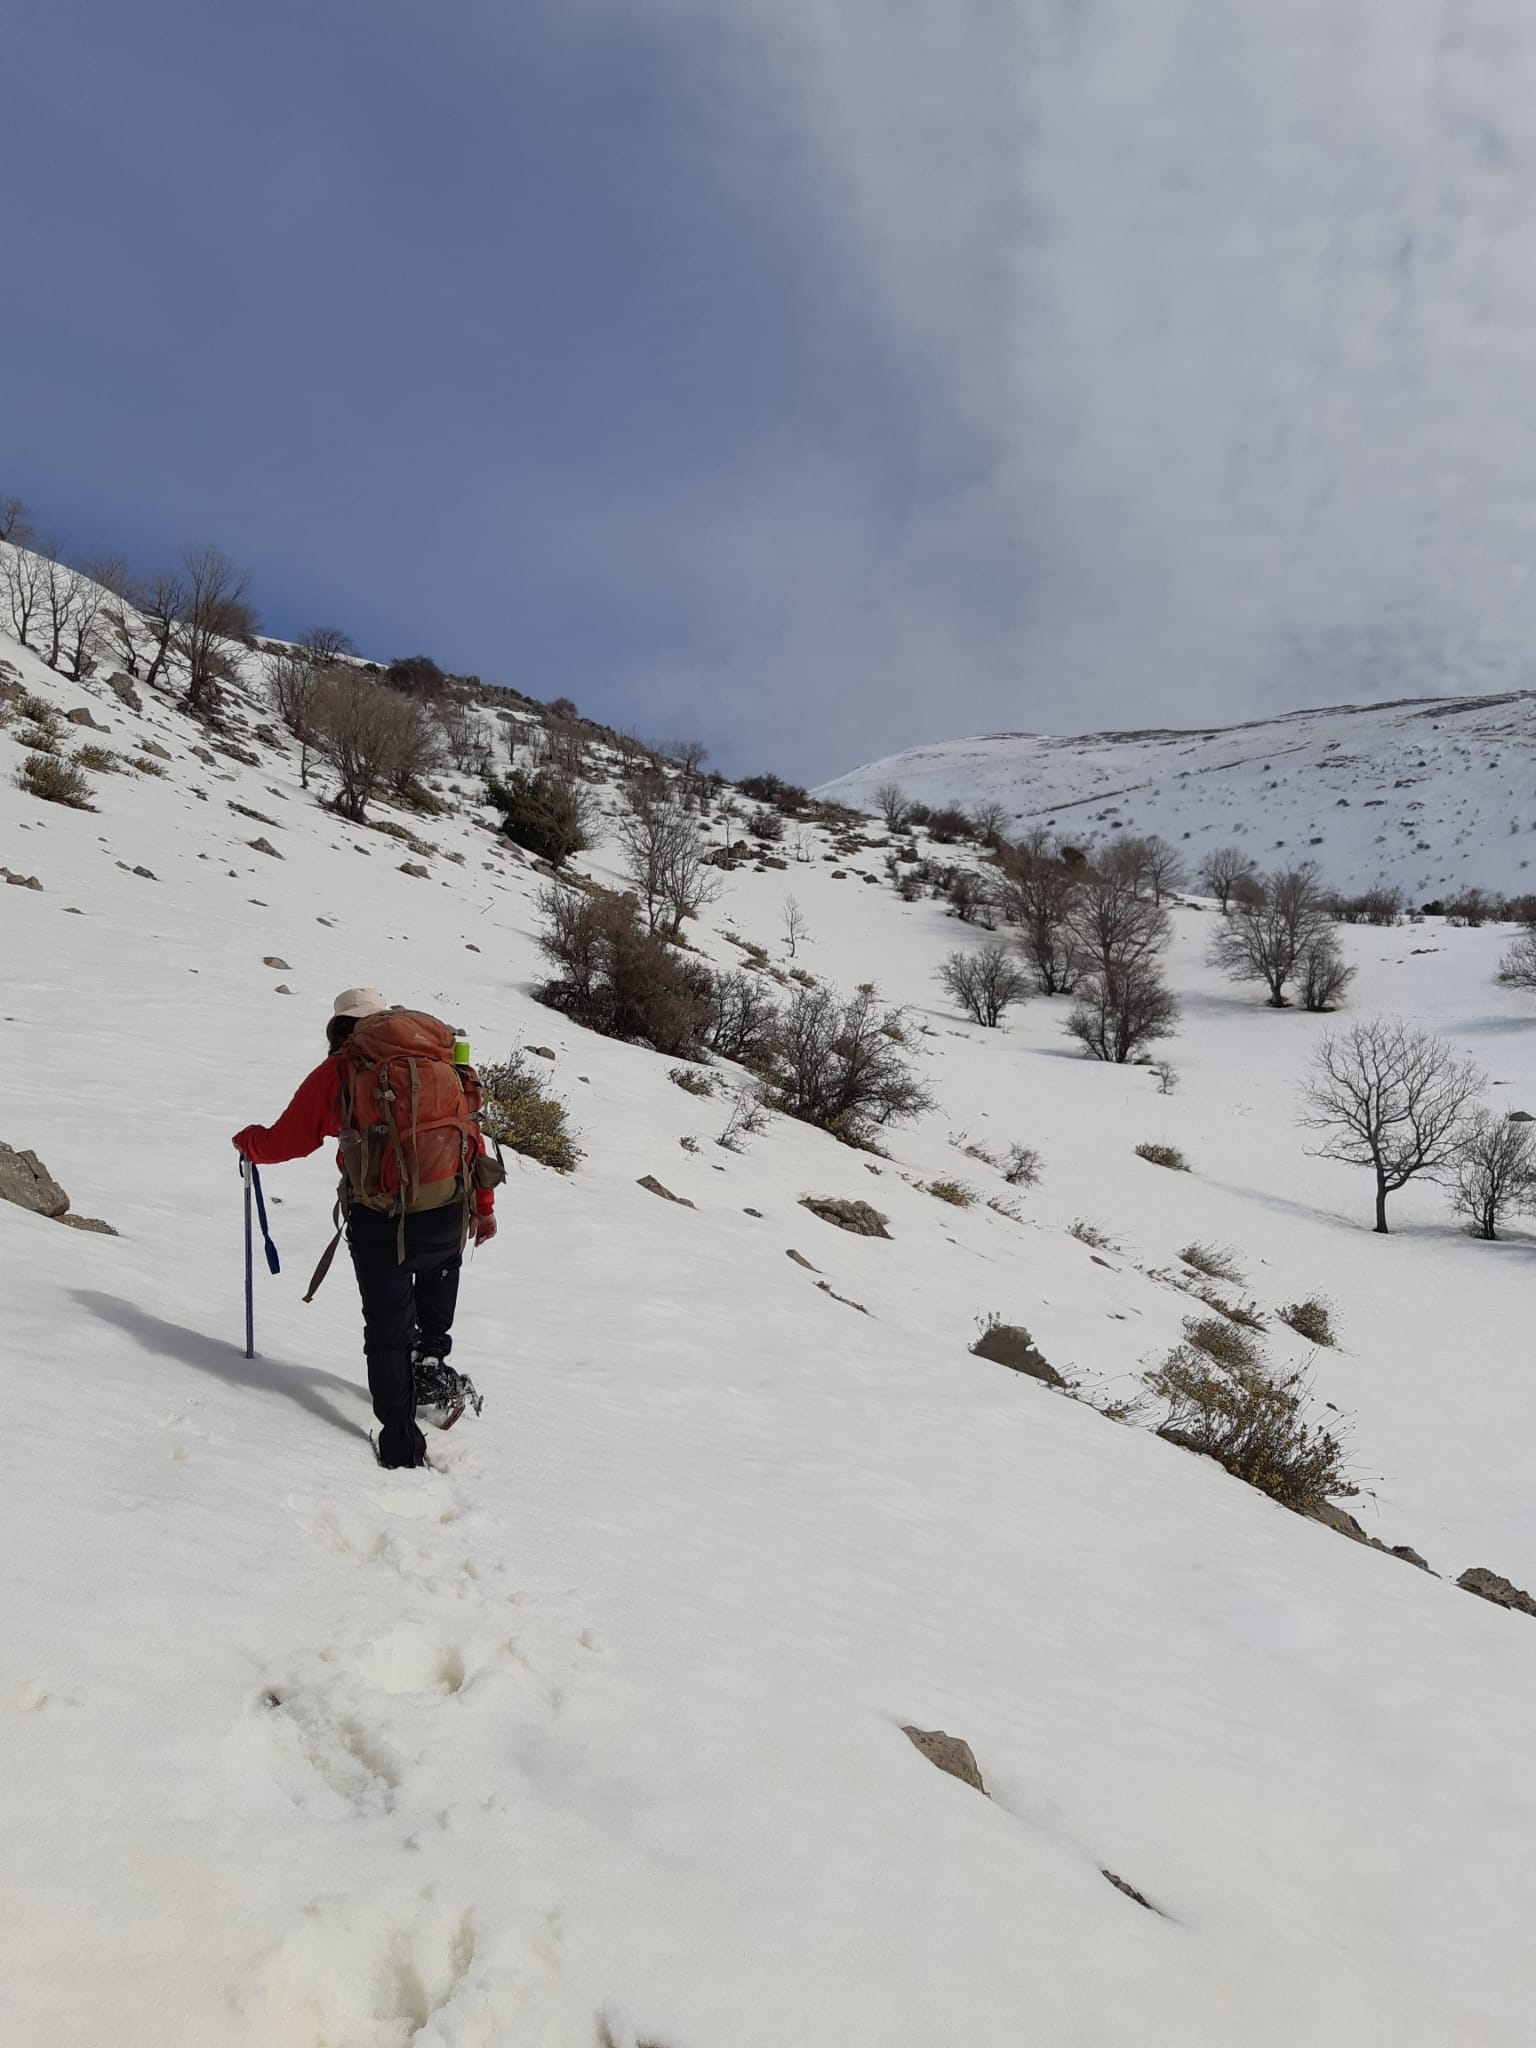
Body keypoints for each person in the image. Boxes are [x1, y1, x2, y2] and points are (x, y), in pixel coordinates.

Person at [232, 988, 498, 1468]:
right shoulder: (442, 1060)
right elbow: (472, 1137)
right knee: (435, 1292)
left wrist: (249, 1143)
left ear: (340, 1029)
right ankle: (432, 1374)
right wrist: (484, 1207)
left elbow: (287, 1140)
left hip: (382, 1221)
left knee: (388, 1330)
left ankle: (400, 1443)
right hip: (449, 1211)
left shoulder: (342, 1069)